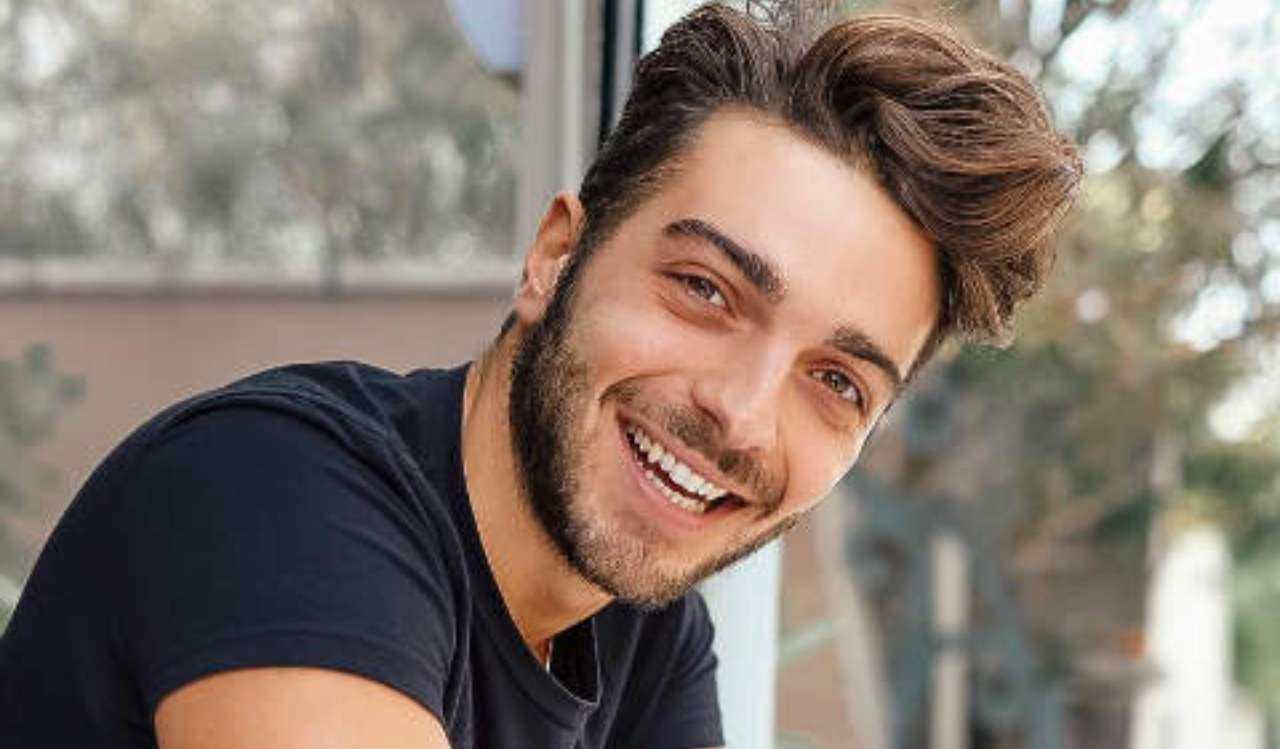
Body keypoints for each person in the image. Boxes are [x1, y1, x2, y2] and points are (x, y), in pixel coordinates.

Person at [0, 3, 1081, 748]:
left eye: (836, 382)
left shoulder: (643, 638)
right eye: (704, 290)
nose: (741, 413)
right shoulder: (278, 491)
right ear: (555, 255)